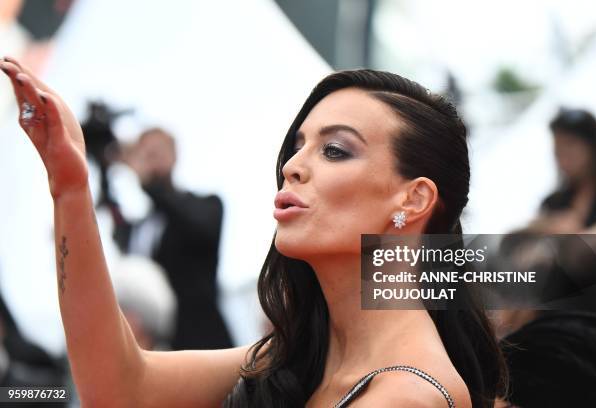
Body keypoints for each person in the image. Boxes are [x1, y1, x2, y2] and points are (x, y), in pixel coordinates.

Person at [1, 57, 506, 407]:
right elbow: (117, 387)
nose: (293, 166)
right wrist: (70, 185)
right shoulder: (297, 358)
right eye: (298, 145)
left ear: (412, 200)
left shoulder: (409, 395)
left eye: (335, 150)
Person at [112, 127, 233, 351]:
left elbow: (199, 229)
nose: (150, 163)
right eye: (144, 155)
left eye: (156, 153)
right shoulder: (139, 228)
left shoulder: (207, 205)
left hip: (205, 344)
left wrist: (149, 185)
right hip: (156, 350)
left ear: (174, 155)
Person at [528, 108, 596, 233]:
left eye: (570, 146)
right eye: (558, 151)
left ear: (593, 146)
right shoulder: (556, 202)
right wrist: (547, 224)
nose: (564, 158)